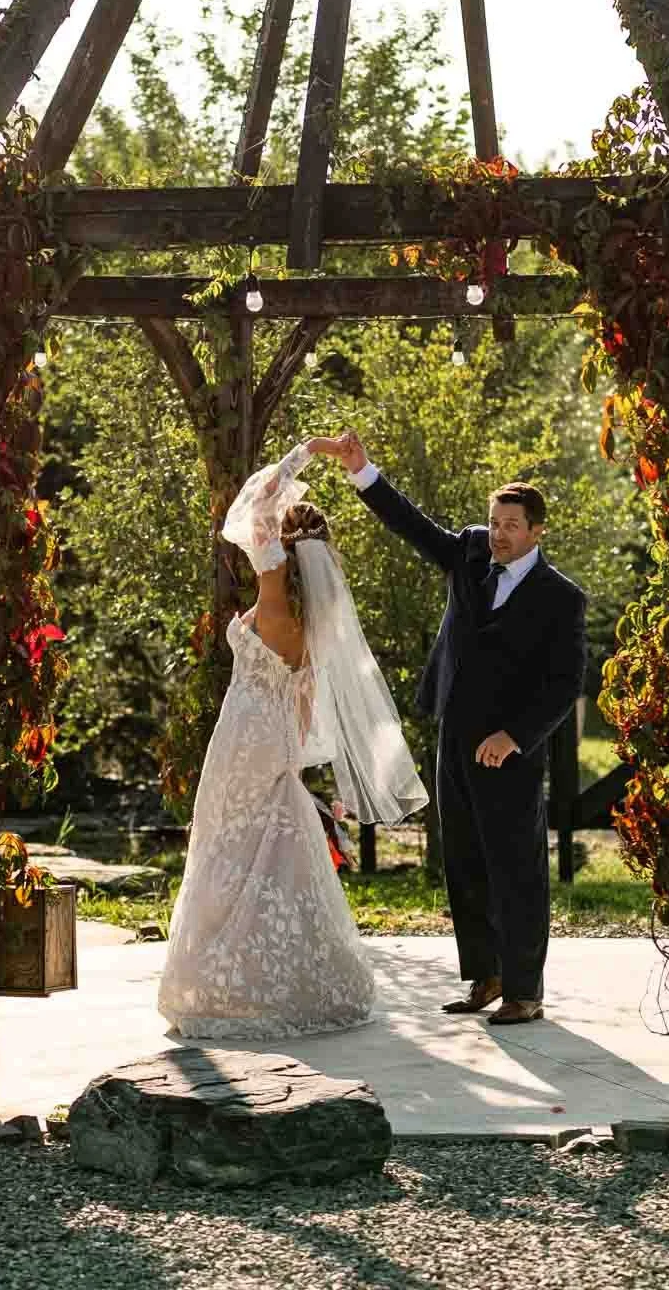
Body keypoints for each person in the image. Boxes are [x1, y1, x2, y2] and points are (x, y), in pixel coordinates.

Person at [157, 439, 428, 1040]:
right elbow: (304, 702)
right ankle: (302, 973)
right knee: (275, 847)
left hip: (243, 738)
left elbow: (252, 502)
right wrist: (294, 759)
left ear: (282, 545)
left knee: (229, 844)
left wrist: (309, 452)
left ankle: (227, 980)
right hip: (276, 739)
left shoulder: (273, 595)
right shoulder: (314, 622)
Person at [328, 431, 587, 1026]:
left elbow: (562, 685)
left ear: (536, 532)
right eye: (495, 521)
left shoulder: (560, 599)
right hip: (456, 735)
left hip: (511, 751)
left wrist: (514, 736)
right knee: (465, 862)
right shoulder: (469, 553)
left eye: (512, 525)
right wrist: (363, 472)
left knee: (516, 869)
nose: (499, 533)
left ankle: (526, 990)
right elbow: (414, 526)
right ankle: (486, 976)